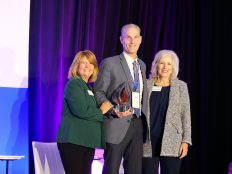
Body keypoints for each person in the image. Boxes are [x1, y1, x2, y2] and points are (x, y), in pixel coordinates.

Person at [94, 24, 148, 174]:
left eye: (135, 37)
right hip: (116, 124)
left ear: (141, 40)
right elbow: (98, 92)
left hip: (137, 125)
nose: (132, 41)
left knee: (134, 170)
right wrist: (113, 110)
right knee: (111, 170)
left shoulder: (142, 65)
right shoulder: (110, 63)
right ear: (121, 39)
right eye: (128, 37)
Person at [56, 50, 113, 174]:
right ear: (77, 66)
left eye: (91, 63)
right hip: (73, 140)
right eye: (83, 63)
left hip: (86, 141)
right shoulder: (74, 84)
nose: (87, 66)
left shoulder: (87, 87)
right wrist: (101, 111)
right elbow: (81, 111)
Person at [142, 50, 192, 174]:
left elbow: (186, 115)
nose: (165, 67)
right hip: (147, 141)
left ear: (173, 67)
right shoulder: (146, 85)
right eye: (162, 63)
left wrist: (186, 141)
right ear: (156, 65)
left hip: (172, 140)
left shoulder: (181, 86)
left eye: (169, 64)